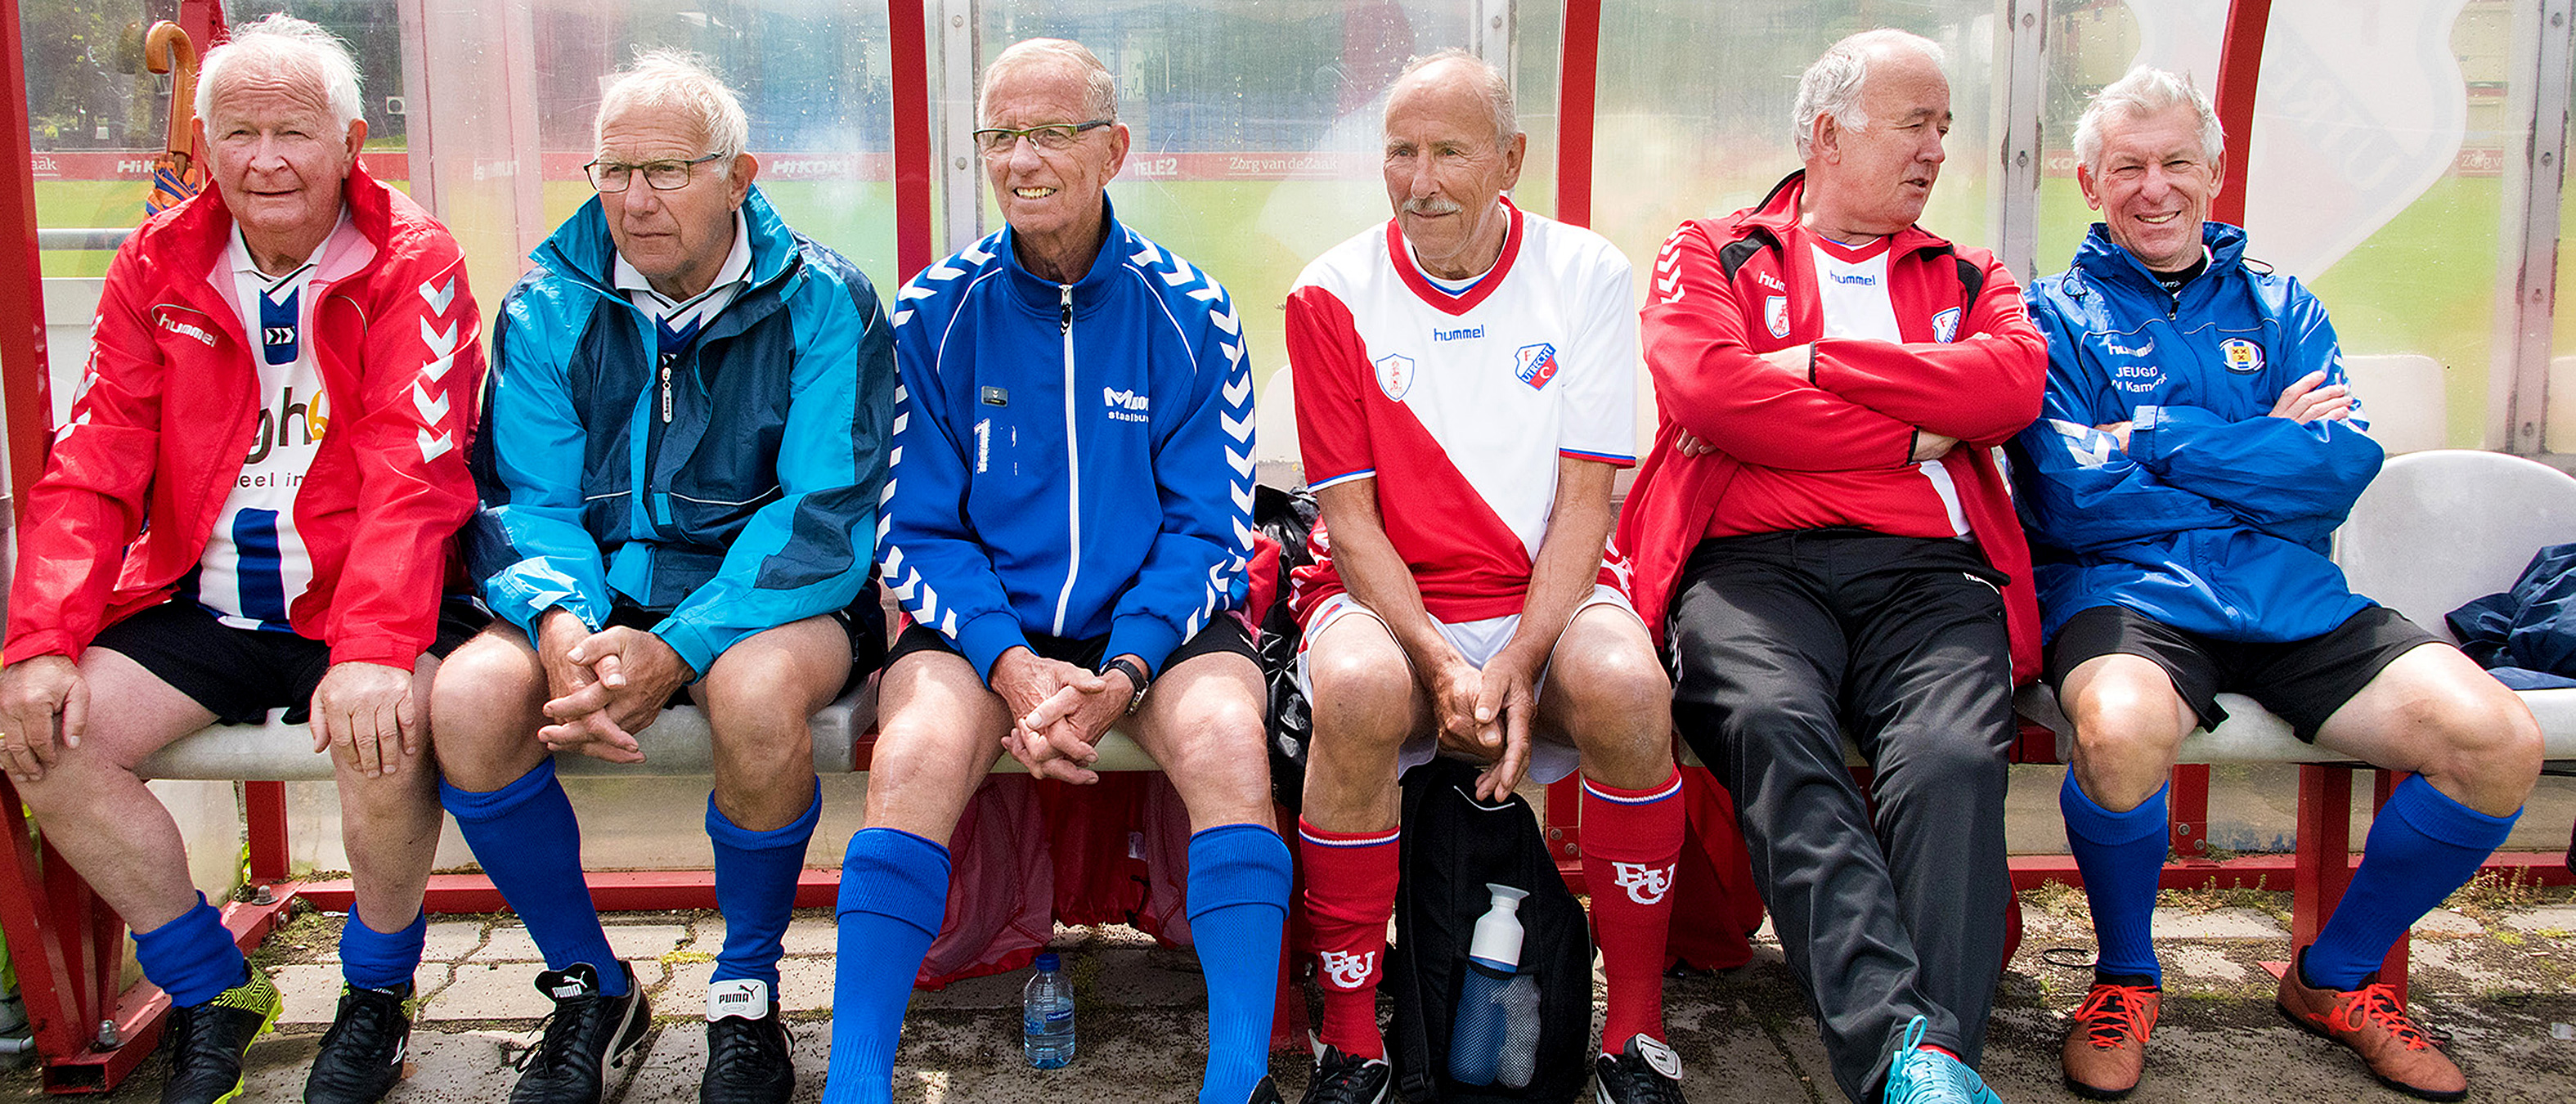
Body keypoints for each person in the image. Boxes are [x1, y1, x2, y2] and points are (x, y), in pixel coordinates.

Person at [2010, 66, 2542, 1103]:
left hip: (2288, 589)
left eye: (2175, 162)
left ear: (2213, 170)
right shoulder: (2049, 316)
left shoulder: (2284, 302)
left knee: (2499, 740)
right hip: (2130, 593)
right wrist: (2259, 445)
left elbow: (2339, 471)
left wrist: (2150, 439)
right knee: (2118, 728)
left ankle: (2335, 979)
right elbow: (2070, 497)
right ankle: (2124, 977)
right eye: (2128, 166)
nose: (2154, 187)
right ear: (2089, 184)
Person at [0, 15, 485, 1104]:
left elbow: (416, 472)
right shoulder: (155, 261)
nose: (264, 159)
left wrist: (371, 649)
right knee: (40, 736)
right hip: (202, 600)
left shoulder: (416, 260)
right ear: (206, 145)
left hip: (358, 601)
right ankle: (210, 986)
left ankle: (375, 996)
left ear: (351, 142)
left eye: (293, 132)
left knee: (383, 727)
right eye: (238, 132)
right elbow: (91, 465)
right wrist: (37, 644)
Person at [821, 38, 1290, 1104]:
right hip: (982, 627)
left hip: (1152, 631)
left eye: (1051, 132)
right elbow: (915, 529)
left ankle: (1237, 1079)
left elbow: (1207, 531)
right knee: (917, 747)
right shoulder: (933, 312)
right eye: (1000, 136)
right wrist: (1014, 666)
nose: (1022, 159)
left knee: (1223, 733)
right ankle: (855, 1082)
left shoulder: (1193, 312)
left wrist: (1121, 672)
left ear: (1113, 148)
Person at [427, 52, 895, 1104]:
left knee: (758, 695)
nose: (634, 200)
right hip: (591, 597)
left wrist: (680, 642)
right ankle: (591, 988)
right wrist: (560, 631)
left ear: (739, 176)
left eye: (670, 170)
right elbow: (522, 502)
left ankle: (745, 990)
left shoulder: (826, 298)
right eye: (613, 170)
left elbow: (822, 513)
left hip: (774, 593)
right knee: (467, 699)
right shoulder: (547, 300)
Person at [1613, 28, 2047, 1104]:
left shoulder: (1967, 270)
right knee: (1771, 726)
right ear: (1824, 133)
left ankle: (1921, 1063)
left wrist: (1809, 367)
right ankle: (1917, 1055)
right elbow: (1709, 392)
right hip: (1749, 570)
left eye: (1942, 126)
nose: (1935, 149)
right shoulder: (1708, 248)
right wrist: (1908, 433)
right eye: (1914, 122)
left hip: (1928, 578)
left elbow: (2006, 388)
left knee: (1947, 755)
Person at [1282, 49, 1686, 1104]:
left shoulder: (1588, 273)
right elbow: (1349, 524)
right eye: (1399, 152)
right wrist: (1437, 659)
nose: (1419, 180)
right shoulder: (1329, 291)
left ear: (1510, 159)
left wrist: (1514, 657)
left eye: (1448, 152)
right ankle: (1350, 1039)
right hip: (1384, 602)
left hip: (1539, 602)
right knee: (1364, 689)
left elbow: (1588, 505)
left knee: (1635, 690)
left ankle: (1634, 1036)